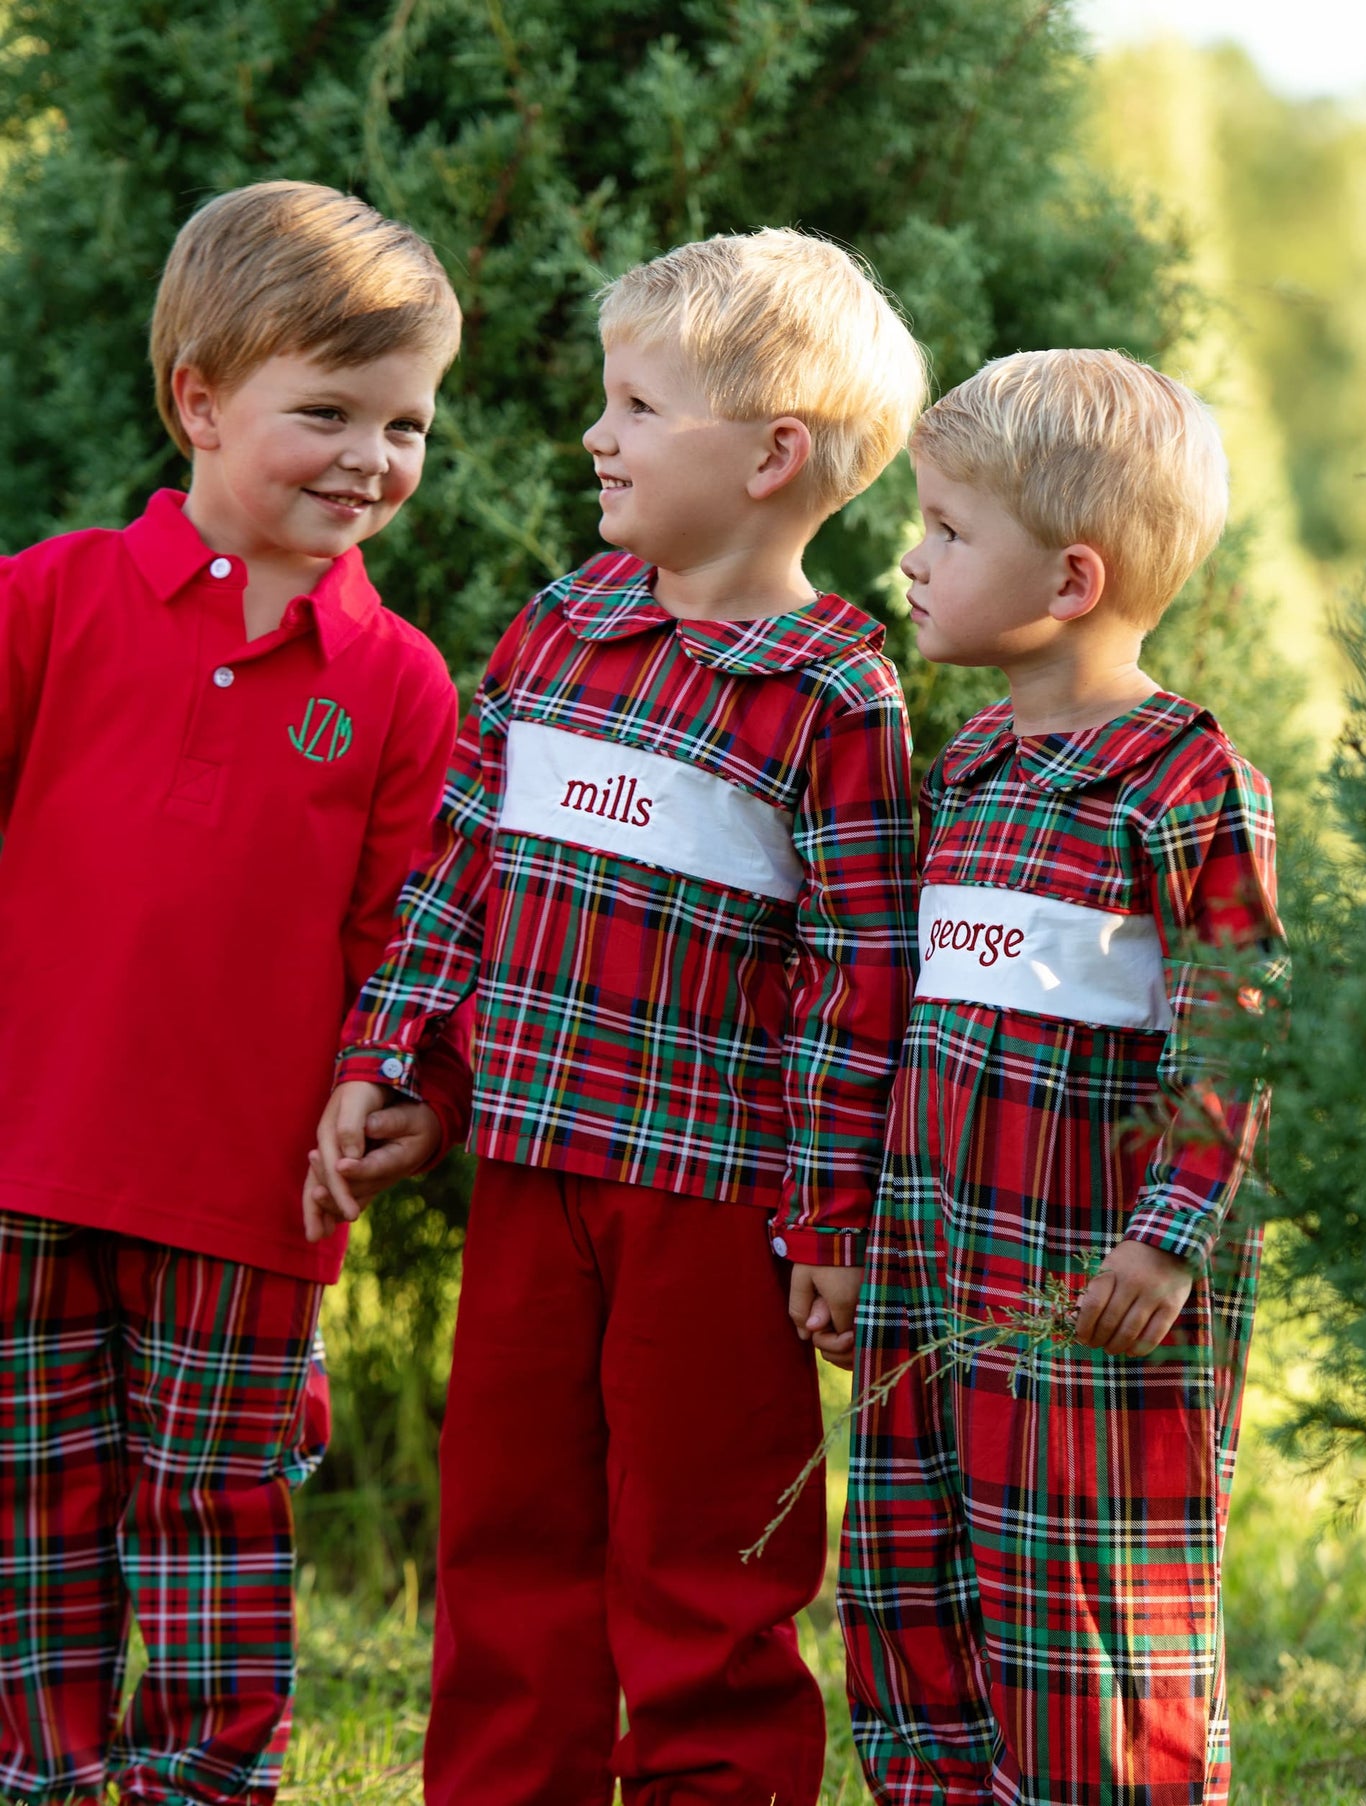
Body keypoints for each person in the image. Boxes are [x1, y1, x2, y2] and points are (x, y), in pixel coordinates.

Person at [307, 227, 928, 1806]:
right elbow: (461, 867)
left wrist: (832, 1221)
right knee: (510, 1533)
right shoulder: (558, 629)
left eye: (638, 407)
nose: (598, 433)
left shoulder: (830, 693)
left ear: (771, 454)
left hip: (713, 1210)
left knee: (708, 1558)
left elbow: (861, 979)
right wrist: (392, 1055)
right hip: (530, 1170)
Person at [0, 180, 466, 1806]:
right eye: (326, 411)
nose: (373, 458)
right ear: (198, 398)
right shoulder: (47, 602)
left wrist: (400, 1082)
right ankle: (38, 1770)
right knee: (30, 1496)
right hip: (25, 1158)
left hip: (253, 1182)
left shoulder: (399, 683)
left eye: (407, 424)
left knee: (215, 1505)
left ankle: (200, 1777)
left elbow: (407, 930)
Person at [836, 350, 1284, 1805]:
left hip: (1085, 1291)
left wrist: (1170, 1234)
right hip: (931, 1274)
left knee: (1085, 1626)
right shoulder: (971, 764)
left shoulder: (1181, 779)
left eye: (948, 532)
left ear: (1073, 577)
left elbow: (1235, 1017)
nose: (912, 560)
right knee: (916, 1586)